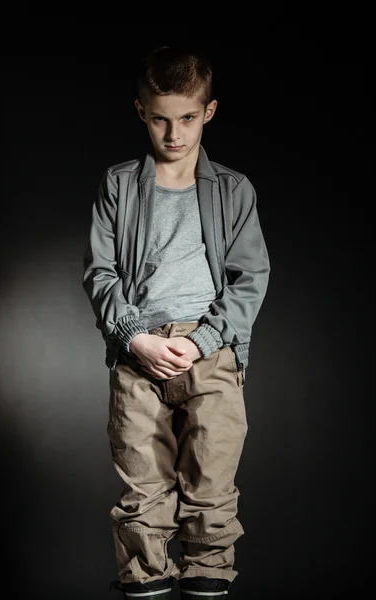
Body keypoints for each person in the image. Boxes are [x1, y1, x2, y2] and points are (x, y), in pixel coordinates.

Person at [82, 45, 270, 600]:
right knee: (143, 486)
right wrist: (135, 336)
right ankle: (145, 578)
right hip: (137, 352)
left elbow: (251, 277)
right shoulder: (119, 186)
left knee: (212, 480)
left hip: (210, 354)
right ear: (141, 111)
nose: (174, 133)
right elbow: (100, 271)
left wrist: (206, 339)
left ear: (207, 112)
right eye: (160, 118)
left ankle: (209, 575)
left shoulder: (234, 190)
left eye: (187, 118)